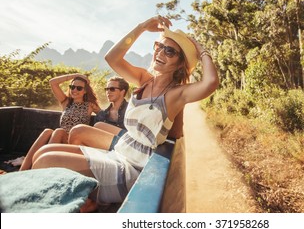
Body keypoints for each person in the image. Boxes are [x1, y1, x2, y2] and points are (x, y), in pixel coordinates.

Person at [30, 15, 219, 207]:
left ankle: (79, 203)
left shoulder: (176, 93)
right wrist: (142, 26)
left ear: (180, 63)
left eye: (169, 51)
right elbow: (112, 58)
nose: (160, 53)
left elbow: (210, 83)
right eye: (158, 46)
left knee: (46, 161)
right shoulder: (145, 79)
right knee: (44, 152)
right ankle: (83, 200)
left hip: (133, 168)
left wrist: (202, 51)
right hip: (120, 151)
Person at [19, 73, 101, 171]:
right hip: (61, 140)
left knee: (59, 131)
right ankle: (22, 171)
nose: (74, 90)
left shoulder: (90, 105)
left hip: (75, 142)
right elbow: (52, 82)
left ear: (85, 91)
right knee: (47, 131)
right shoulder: (66, 102)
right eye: (72, 87)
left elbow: (104, 116)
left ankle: (40, 168)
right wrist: (76, 75)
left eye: (79, 88)